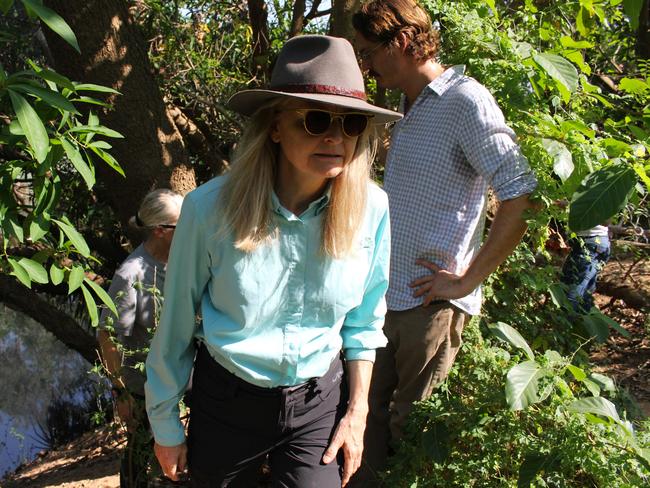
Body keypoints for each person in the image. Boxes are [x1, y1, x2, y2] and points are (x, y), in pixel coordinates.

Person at [144, 35, 402, 488]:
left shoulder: (372, 210)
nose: (334, 136)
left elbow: (364, 322)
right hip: (227, 403)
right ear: (276, 126)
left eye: (351, 124)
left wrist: (357, 412)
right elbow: (177, 327)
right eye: (316, 119)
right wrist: (165, 426)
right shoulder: (209, 210)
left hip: (317, 403)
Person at [351, 0, 538, 482]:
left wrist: (467, 281)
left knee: (412, 431)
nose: (366, 64)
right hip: (381, 297)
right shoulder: (403, 106)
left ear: (404, 42)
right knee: (364, 418)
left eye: (371, 51)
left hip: (428, 305)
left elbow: (521, 194)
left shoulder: (465, 100)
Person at [98, 188, 183, 488]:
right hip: (143, 388)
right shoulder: (131, 273)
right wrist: (121, 393)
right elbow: (108, 336)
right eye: (181, 224)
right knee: (142, 456)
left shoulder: (183, 259)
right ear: (160, 230)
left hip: (178, 380)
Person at [561, 224, 611, 313]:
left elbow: (606, 221)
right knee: (584, 293)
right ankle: (582, 323)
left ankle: (566, 323)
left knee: (572, 290)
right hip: (599, 242)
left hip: (589, 243)